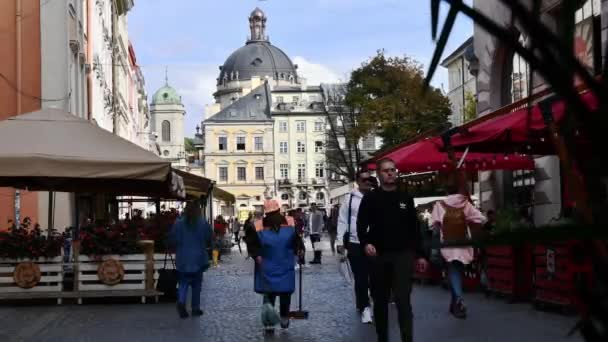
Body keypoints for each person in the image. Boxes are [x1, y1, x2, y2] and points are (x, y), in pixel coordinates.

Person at [357, 159, 422, 342]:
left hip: (402, 255)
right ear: (379, 174)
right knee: (380, 301)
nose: (390, 173)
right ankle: (382, 337)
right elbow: (361, 224)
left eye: (393, 170)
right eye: (386, 171)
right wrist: (365, 243)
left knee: (403, 300)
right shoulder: (371, 198)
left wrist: (420, 254)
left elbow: (414, 228)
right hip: (379, 255)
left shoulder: (405, 198)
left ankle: (407, 338)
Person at [244, 199, 305, 332]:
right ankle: (277, 319)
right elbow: (251, 242)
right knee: (276, 294)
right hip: (273, 263)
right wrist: (257, 255)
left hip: (279, 263)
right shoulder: (259, 225)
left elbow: (297, 240)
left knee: (277, 294)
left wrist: (300, 250)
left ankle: (279, 318)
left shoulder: (287, 222)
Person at [431, 179, 486, 319]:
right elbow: (481, 219)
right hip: (463, 243)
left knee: (453, 270)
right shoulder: (466, 203)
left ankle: (459, 299)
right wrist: (469, 222)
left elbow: (435, 226)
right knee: (457, 271)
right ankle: (455, 304)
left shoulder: (440, 204)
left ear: (446, 191)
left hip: (448, 244)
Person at [337, 170, 375, 324]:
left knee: (374, 276)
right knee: (360, 277)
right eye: (364, 179)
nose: (367, 182)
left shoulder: (376, 197)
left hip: (375, 243)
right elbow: (342, 220)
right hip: (355, 243)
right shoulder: (350, 198)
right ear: (358, 181)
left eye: (369, 179)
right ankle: (364, 307)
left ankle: (371, 301)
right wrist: (339, 241)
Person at [168, 200, 213, 319]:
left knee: (183, 283)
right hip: (198, 258)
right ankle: (195, 308)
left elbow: (172, 239)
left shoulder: (178, 223)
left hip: (183, 258)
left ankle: (181, 302)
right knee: (197, 285)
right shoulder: (203, 223)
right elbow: (209, 237)